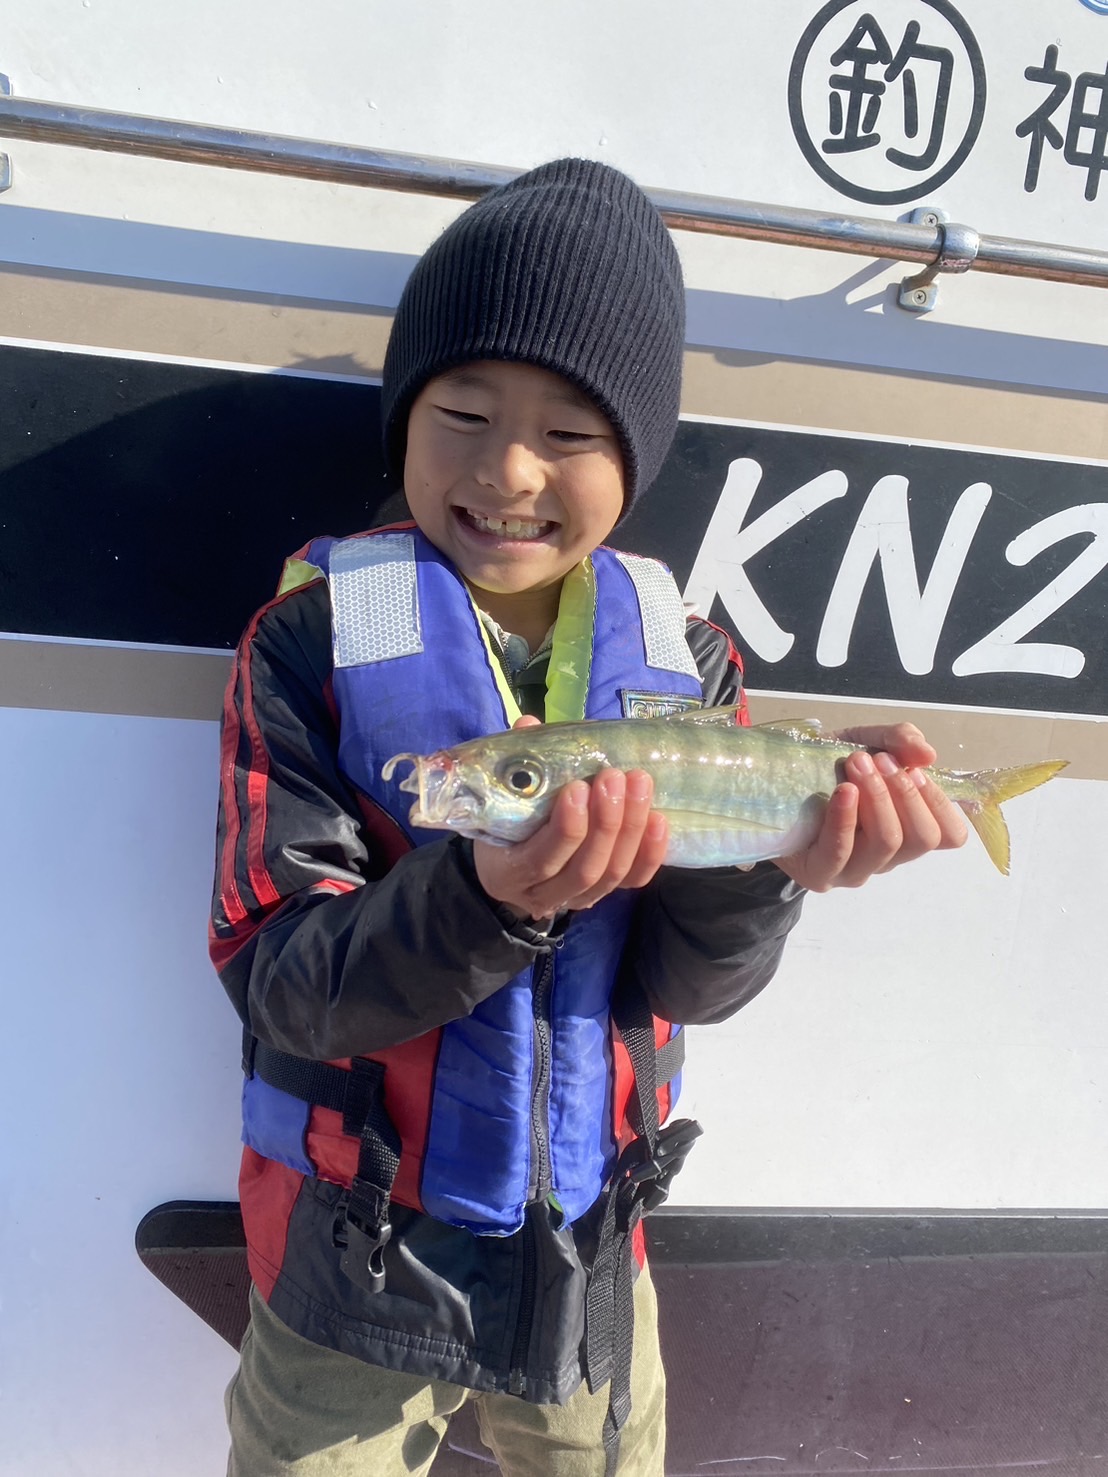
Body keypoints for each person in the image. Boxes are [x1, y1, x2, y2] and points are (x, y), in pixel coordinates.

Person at [210, 157, 967, 1477]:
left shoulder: (694, 663)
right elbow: (280, 977)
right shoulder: (308, 643)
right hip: (353, 1247)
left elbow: (691, 984)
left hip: (590, 1248)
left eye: (570, 434)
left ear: (637, 457)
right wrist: (481, 899)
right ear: (402, 419)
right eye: (463, 411)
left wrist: (775, 867)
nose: (509, 468)